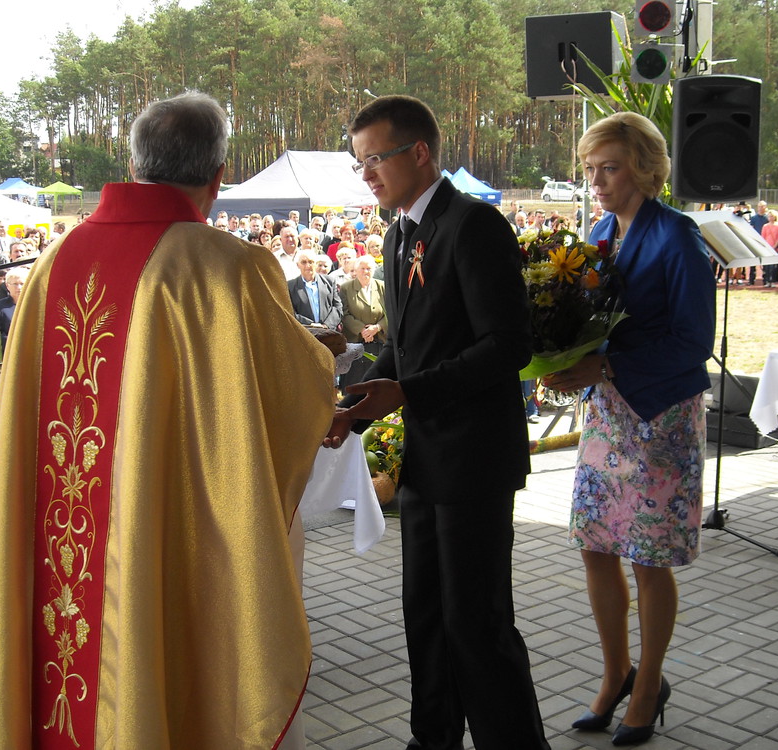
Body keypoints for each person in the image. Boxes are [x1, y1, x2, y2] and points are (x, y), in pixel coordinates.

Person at [0, 91, 335, 750]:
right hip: (166, 517)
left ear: (134, 165)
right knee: (164, 637)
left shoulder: (53, 262)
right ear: (218, 178)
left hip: (65, 526)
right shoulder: (228, 267)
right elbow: (292, 393)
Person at [325, 95, 549, 750]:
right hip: (425, 458)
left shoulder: (472, 225)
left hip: (474, 460)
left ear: (420, 152)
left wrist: (407, 392)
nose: (367, 174)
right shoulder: (398, 232)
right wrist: (349, 409)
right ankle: (434, 739)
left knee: (476, 625)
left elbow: (508, 345)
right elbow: (403, 346)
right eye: (360, 162)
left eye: (376, 159)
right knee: (424, 616)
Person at [543, 112, 715, 747]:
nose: (596, 181)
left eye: (609, 168)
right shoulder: (599, 233)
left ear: (644, 168)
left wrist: (608, 364)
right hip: (609, 413)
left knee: (647, 558)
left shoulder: (678, 236)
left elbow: (694, 341)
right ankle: (617, 672)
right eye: (590, 169)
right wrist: (565, 360)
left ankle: (649, 687)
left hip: (661, 418)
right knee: (594, 545)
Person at [338, 255, 386, 388]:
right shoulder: (346, 288)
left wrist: (377, 327)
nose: (366, 271)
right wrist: (362, 330)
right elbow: (344, 314)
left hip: (379, 340)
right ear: (356, 270)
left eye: (369, 268)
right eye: (362, 268)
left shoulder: (382, 286)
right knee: (356, 382)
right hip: (356, 342)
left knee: (376, 382)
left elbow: (391, 312)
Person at [287, 248, 343, 330]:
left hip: (328, 332)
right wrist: (311, 325)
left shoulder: (330, 282)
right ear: (297, 265)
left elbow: (338, 307)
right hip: (304, 332)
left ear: (316, 264)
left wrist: (326, 325)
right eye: (303, 262)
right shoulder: (290, 286)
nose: (307, 266)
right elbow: (290, 312)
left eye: (311, 262)